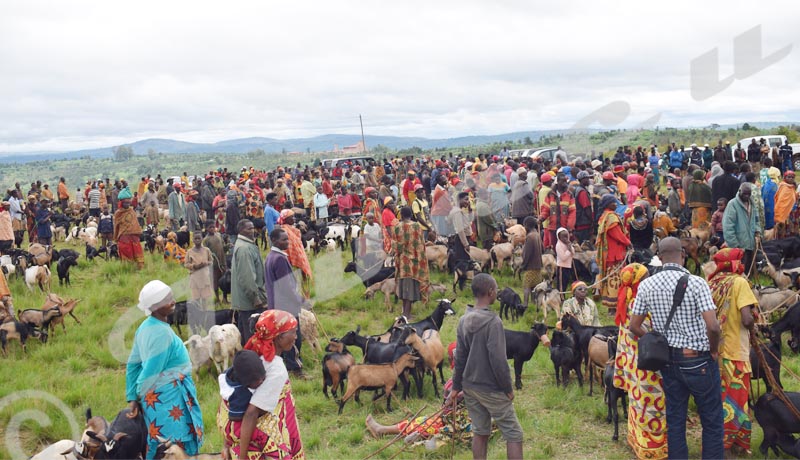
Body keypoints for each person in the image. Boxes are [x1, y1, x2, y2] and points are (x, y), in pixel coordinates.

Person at [629, 237, 723, 460]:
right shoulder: (697, 283)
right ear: (682, 254)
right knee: (711, 421)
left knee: (675, 421)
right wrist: (713, 350)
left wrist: (657, 340)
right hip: (699, 359)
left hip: (669, 361)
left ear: (659, 258)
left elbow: (634, 325)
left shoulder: (646, 285)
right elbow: (713, 326)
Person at [126, 280, 204, 458]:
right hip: (169, 400)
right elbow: (150, 373)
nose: (173, 300)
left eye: (171, 296)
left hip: (156, 400)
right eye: (166, 299)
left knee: (158, 443)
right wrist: (138, 394)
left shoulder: (145, 327)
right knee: (174, 447)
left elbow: (132, 364)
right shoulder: (162, 334)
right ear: (154, 306)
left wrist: (133, 397)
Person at [450, 273, 523, 460]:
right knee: (514, 434)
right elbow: (499, 360)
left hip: (470, 387)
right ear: (491, 292)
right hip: (491, 388)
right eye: (496, 288)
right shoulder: (493, 322)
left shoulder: (463, 320)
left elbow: (460, 357)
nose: (497, 291)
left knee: (480, 432)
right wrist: (508, 388)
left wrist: (456, 387)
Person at [218, 310, 304, 459]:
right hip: (261, 431)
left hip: (242, 430)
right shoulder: (276, 368)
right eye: (293, 332)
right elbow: (252, 412)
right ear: (278, 336)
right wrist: (242, 457)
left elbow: (236, 398)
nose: (296, 337)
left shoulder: (254, 352)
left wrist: (227, 442)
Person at [612, 263, 666, 459]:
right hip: (648, 364)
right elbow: (649, 331)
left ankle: (637, 441)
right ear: (639, 281)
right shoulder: (639, 304)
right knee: (653, 403)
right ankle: (652, 448)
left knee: (637, 403)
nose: (649, 278)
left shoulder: (625, 301)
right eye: (646, 276)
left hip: (633, 364)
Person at [707, 248, 757, 456]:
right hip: (735, 352)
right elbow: (746, 319)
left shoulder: (712, 283)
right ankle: (724, 447)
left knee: (719, 399)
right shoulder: (739, 282)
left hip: (713, 353)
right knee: (736, 401)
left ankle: (736, 443)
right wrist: (754, 322)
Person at [264, 227, 308, 378]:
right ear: (274, 241)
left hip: (276, 305)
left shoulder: (270, 256)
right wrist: (302, 301)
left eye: (287, 239)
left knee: (281, 338)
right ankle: (295, 369)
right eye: (284, 239)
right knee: (293, 338)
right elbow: (287, 287)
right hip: (286, 306)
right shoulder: (279, 259)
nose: (287, 242)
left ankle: (284, 367)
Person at [232, 219, 267, 344]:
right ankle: (253, 359)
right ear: (241, 230)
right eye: (249, 229)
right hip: (250, 300)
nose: (252, 231)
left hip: (247, 299)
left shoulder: (245, 244)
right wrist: (255, 297)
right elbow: (247, 277)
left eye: (253, 228)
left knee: (247, 332)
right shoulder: (244, 249)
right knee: (253, 335)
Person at [596, 194, 631, 314]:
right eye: (614, 202)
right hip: (615, 254)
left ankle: (612, 305)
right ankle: (614, 306)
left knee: (611, 279)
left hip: (610, 253)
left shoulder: (605, 216)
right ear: (608, 204)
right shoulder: (611, 218)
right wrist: (628, 242)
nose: (616, 204)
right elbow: (618, 235)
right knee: (615, 280)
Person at [393, 206, 430, 319]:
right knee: (410, 289)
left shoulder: (398, 227)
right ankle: (407, 315)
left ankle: (405, 313)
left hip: (403, 263)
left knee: (404, 287)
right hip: (415, 261)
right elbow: (421, 243)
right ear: (411, 214)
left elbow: (395, 246)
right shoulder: (417, 226)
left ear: (402, 215)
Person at [722, 183, 759, 273]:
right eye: (744, 194)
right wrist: (735, 245)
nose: (747, 196)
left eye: (748, 194)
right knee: (738, 272)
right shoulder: (733, 204)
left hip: (750, 243)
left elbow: (756, 220)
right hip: (739, 244)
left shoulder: (752, 204)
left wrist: (758, 232)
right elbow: (728, 227)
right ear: (739, 192)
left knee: (747, 270)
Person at [277, 210, 312, 297]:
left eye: (293, 216)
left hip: (297, 262)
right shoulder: (284, 231)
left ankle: (303, 302)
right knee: (296, 287)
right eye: (291, 217)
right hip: (291, 264)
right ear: (285, 219)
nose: (294, 218)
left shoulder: (293, 230)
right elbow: (289, 249)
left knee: (300, 285)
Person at [185, 232, 214, 333]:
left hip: (204, 277)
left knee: (204, 299)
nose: (197, 240)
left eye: (199, 238)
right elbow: (186, 264)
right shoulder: (189, 252)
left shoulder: (206, 250)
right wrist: (194, 266)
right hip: (195, 278)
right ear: (192, 240)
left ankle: (205, 318)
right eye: (195, 239)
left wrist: (206, 263)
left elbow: (211, 261)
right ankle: (197, 319)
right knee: (196, 300)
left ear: (202, 239)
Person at [520, 216, 543, 310]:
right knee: (535, 286)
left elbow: (527, 254)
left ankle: (525, 304)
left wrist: (523, 266)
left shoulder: (529, 237)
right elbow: (543, 248)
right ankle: (534, 303)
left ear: (526, 226)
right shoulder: (537, 234)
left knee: (527, 286)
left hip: (530, 266)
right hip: (538, 265)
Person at [203, 221, 227, 304]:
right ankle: (217, 298)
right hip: (214, 265)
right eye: (210, 227)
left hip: (222, 262)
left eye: (213, 227)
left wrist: (227, 247)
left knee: (225, 281)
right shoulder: (206, 240)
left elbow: (223, 247)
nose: (212, 229)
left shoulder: (219, 235)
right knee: (215, 281)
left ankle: (225, 298)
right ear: (206, 229)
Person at [774, 170, 797, 238]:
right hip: (784, 216)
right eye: (789, 177)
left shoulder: (792, 187)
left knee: (791, 234)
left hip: (791, 214)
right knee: (784, 234)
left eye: (792, 177)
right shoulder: (784, 187)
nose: (791, 179)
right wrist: (780, 218)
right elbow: (780, 204)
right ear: (785, 178)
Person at [555, 227, 574, 294]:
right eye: (563, 237)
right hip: (561, 267)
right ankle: (561, 297)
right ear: (559, 237)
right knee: (561, 284)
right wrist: (569, 250)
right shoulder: (558, 245)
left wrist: (570, 246)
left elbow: (573, 253)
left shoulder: (568, 244)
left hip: (568, 266)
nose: (565, 239)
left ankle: (563, 296)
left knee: (566, 282)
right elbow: (563, 257)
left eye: (566, 236)